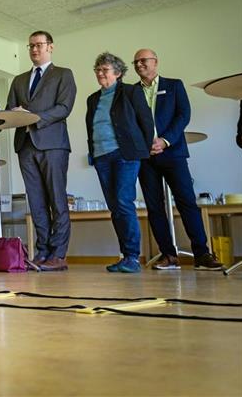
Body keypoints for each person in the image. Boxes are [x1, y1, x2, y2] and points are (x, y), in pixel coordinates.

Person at [133, 49, 223, 271]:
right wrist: (144, 145)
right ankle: (168, 255)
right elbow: (128, 122)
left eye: (144, 60)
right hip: (145, 157)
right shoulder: (130, 92)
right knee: (154, 207)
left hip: (173, 153)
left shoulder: (174, 85)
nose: (139, 64)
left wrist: (165, 140)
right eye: (136, 62)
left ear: (156, 62)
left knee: (187, 203)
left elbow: (183, 115)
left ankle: (201, 254)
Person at [6, 30, 76, 271]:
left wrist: (34, 117)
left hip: (53, 144)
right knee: (36, 203)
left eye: (39, 45)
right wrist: (16, 114)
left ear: (51, 47)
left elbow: (64, 108)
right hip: (25, 146)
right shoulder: (18, 80)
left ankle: (59, 254)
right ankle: (43, 251)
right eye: (30, 46)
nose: (34, 49)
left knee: (57, 200)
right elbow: (9, 111)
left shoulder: (63, 75)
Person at [86, 52, 154, 273]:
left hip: (125, 154)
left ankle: (133, 258)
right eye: (97, 70)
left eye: (104, 69)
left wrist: (142, 150)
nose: (100, 73)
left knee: (124, 202)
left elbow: (146, 120)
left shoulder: (131, 91)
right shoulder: (93, 99)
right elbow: (91, 128)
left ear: (118, 72)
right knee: (114, 207)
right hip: (102, 156)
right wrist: (93, 154)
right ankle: (125, 255)